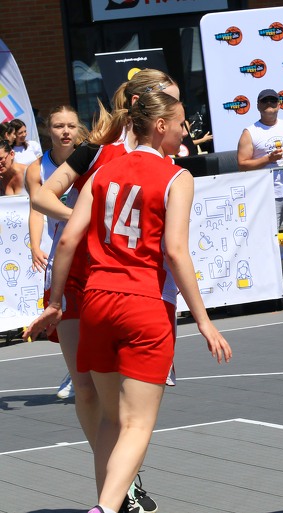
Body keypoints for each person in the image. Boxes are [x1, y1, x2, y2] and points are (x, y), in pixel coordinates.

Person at [23, 90, 233, 513]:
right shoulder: (175, 176)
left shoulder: (104, 171)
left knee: (109, 417)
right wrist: (204, 320)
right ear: (160, 125)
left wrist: (56, 301)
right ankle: (105, 507)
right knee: (136, 423)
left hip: (96, 299)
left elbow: (67, 240)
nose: (185, 131)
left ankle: (109, 503)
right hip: (144, 302)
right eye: (180, 122)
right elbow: (176, 251)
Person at [31, 69, 179, 513]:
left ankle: (117, 487)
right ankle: (117, 490)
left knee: (127, 406)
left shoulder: (167, 156)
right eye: (169, 100)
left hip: (128, 285)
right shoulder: (98, 150)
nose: (177, 113)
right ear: (142, 103)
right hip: (78, 276)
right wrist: (86, 221)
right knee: (87, 390)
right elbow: (41, 197)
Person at [25, 105, 88, 399]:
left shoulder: (89, 158)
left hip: (92, 248)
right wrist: (35, 245)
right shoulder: (37, 168)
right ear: (48, 130)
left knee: (94, 311)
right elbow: (36, 210)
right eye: (59, 126)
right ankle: (75, 370)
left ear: (78, 129)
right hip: (61, 250)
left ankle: (88, 367)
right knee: (64, 313)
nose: (65, 131)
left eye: (71, 126)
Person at [237, 88, 283, 233]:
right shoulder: (250, 132)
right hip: (267, 195)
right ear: (258, 106)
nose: (269, 103)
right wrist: (268, 159)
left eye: (273, 100)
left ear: (279, 105)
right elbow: (242, 165)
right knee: (267, 237)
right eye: (264, 100)